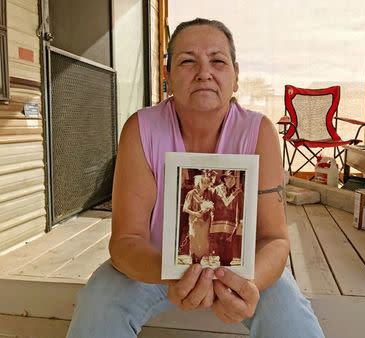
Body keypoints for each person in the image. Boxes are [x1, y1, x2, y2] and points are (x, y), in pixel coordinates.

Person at [66, 18, 324, 338]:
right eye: (187, 61)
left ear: (236, 76)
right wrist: (175, 276)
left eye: (218, 60)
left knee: (290, 318)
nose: (204, 72)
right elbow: (125, 242)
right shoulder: (141, 129)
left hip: (241, 269)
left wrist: (245, 284)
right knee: (98, 303)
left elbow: (275, 239)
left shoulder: (259, 132)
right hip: (155, 264)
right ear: (168, 78)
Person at [209, 170, 243, 266]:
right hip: (218, 221)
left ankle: (227, 263)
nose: (231, 180)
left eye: (233, 178)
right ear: (224, 179)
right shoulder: (217, 190)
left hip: (231, 222)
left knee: (229, 243)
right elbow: (211, 202)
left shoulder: (238, 192)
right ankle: (221, 261)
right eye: (229, 178)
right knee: (219, 243)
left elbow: (242, 207)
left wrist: (241, 220)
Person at [182, 174, 214, 264]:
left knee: (204, 241)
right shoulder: (191, 193)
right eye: (203, 182)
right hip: (194, 221)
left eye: (207, 183)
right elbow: (185, 208)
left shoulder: (209, 193)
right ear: (198, 183)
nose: (205, 185)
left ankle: (201, 260)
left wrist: (210, 208)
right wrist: (195, 213)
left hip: (205, 221)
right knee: (195, 240)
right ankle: (194, 260)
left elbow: (213, 205)